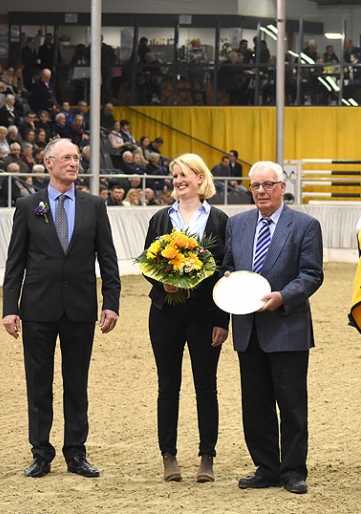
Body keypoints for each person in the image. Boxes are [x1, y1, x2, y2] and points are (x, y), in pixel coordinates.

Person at [2, 138, 121, 479]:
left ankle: (76, 452)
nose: (74, 162)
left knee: (76, 383)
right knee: (38, 383)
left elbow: (107, 259)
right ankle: (41, 452)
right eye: (66, 158)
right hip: (38, 308)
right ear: (48, 163)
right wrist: (10, 307)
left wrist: (110, 302)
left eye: (76, 157)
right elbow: (15, 263)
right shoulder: (28, 206)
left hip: (81, 309)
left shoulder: (94, 206)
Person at [222, 160, 324, 494]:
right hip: (248, 328)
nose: (262, 191)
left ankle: (293, 470)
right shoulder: (236, 224)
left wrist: (284, 296)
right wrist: (228, 280)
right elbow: (229, 266)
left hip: (287, 327)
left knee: (292, 405)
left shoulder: (305, 225)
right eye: (255, 186)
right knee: (255, 404)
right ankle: (266, 467)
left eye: (268, 185)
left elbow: (311, 274)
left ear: (282, 186)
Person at [142, 153, 229, 482]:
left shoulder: (219, 220)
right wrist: (161, 281)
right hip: (166, 311)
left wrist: (223, 319)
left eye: (185, 175)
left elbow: (226, 268)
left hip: (205, 313)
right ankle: (169, 455)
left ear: (200, 179)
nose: (179, 180)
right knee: (168, 386)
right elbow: (148, 261)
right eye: (175, 175)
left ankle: (207, 456)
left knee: (206, 387)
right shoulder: (161, 219)